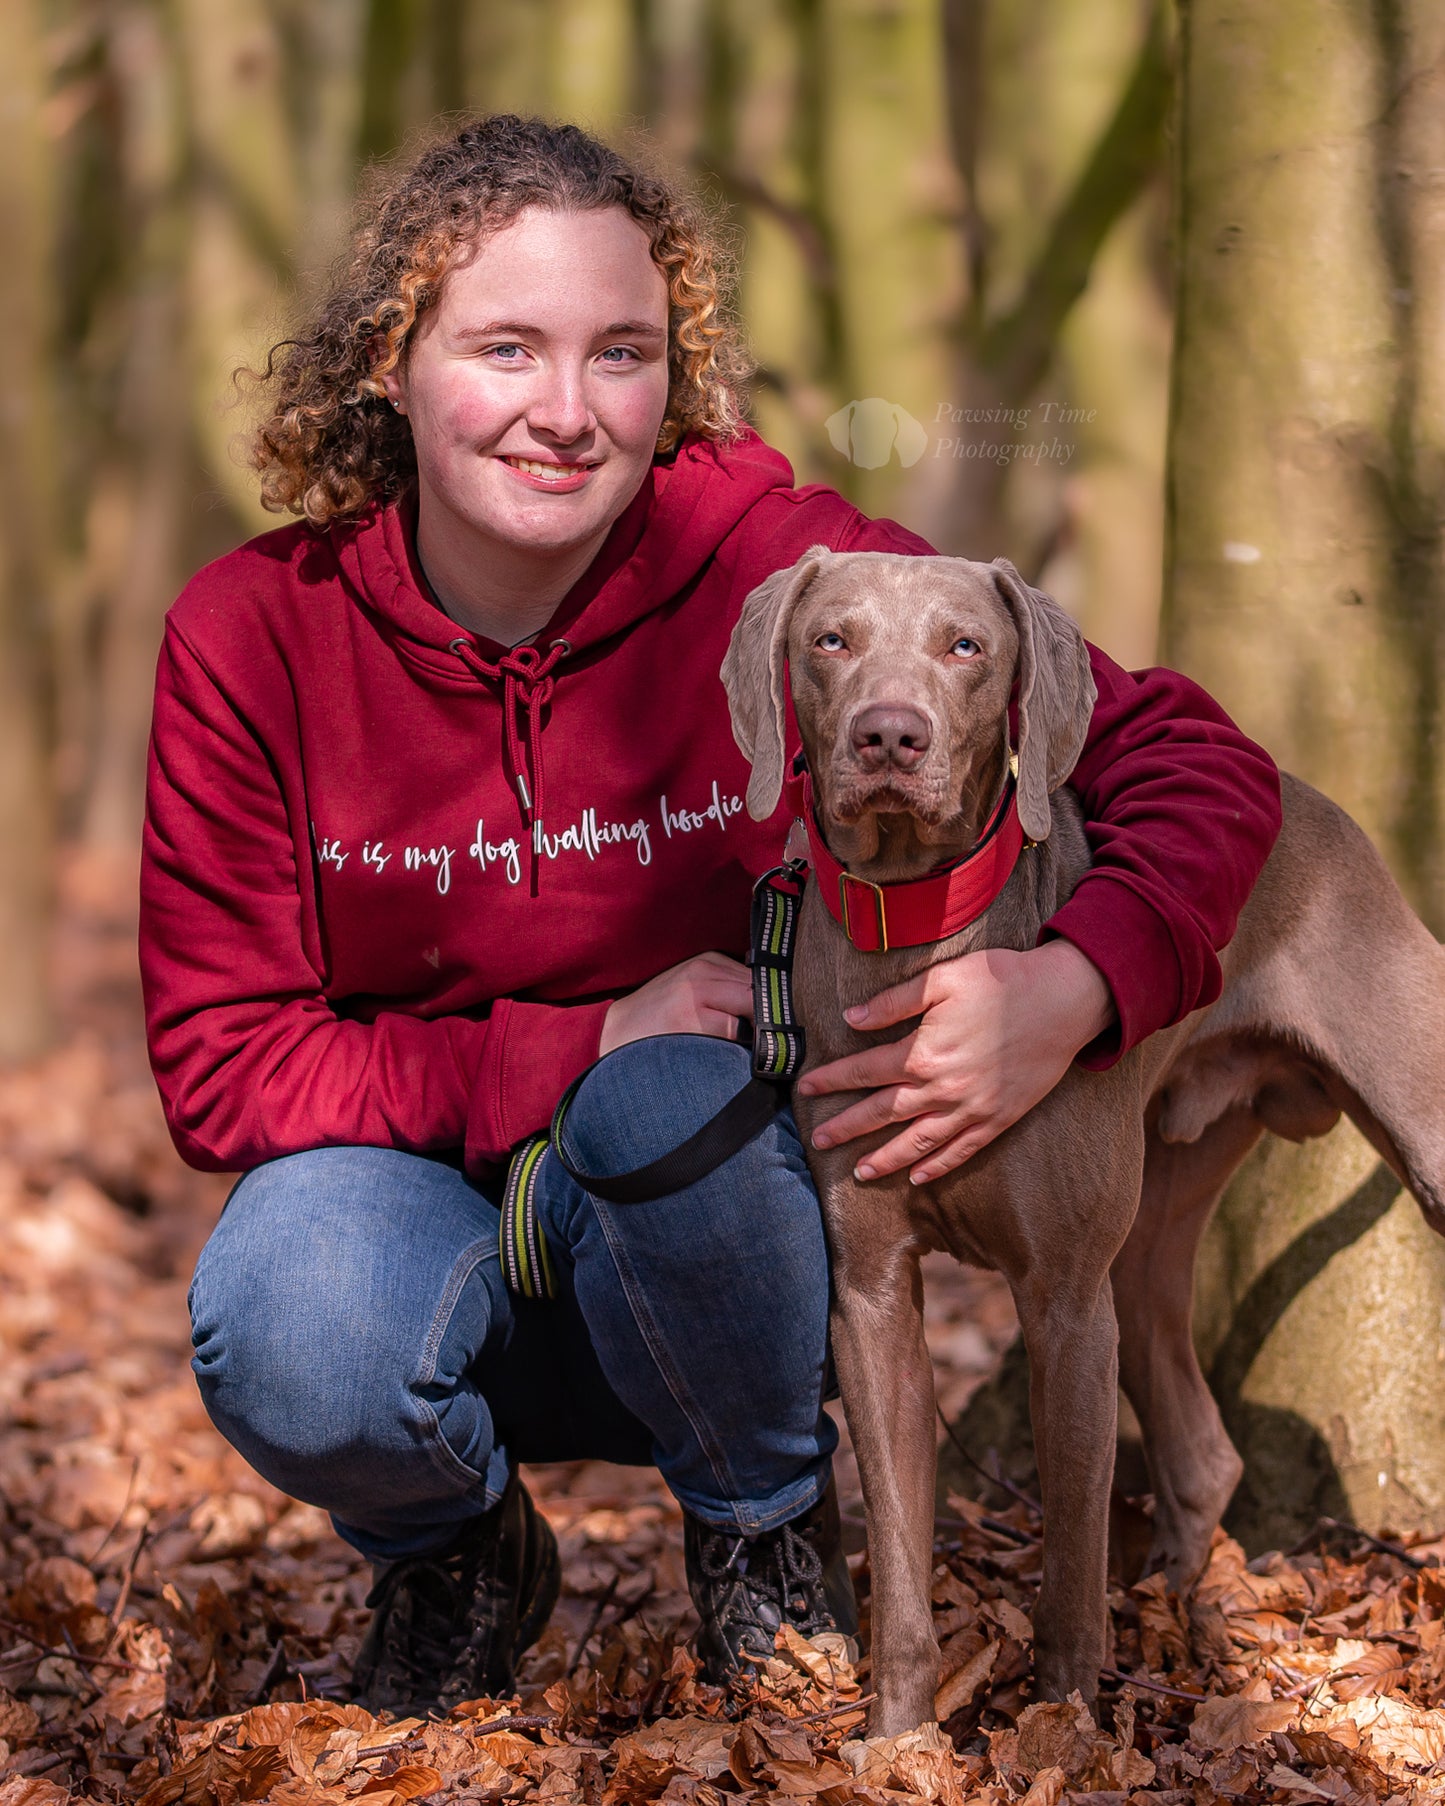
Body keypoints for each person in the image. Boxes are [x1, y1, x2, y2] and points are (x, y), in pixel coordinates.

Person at [139, 114, 1281, 1716]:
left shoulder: (771, 564)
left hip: (711, 1234)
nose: (563, 410)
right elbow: (219, 1060)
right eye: (505, 348)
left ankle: (761, 1531)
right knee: (284, 1313)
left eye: (620, 353)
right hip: (421, 1220)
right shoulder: (254, 635)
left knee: (674, 1093)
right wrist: (566, 1041)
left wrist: (1079, 983)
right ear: (390, 365)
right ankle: (459, 1546)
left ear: (669, 380)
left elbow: (1195, 759)